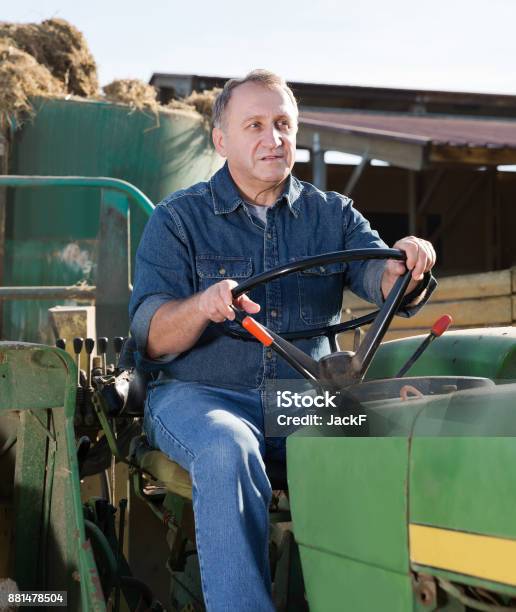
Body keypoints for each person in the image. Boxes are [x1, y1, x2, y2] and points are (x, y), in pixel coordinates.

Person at [129, 69, 436, 611]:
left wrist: (406, 264)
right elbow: (151, 336)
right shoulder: (178, 220)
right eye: (255, 125)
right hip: (203, 398)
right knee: (228, 448)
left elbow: (381, 280)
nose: (273, 138)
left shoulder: (332, 215)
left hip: (303, 403)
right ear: (221, 140)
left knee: (395, 437)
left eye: (283, 124)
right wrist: (202, 305)